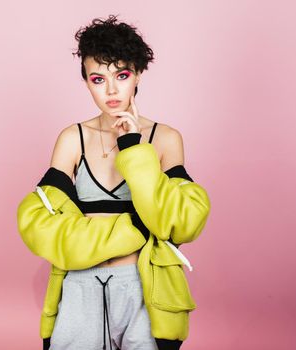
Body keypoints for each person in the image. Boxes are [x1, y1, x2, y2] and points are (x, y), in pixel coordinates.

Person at [17, 14, 211, 350]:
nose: (111, 90)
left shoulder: (164, 139)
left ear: (137, 75)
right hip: (78, 286)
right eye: (97, 78)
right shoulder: (72, 138)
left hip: (142, 286)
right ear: (86, 83)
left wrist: (133, 147)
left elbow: (181, 225)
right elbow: (41, 227)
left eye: (121, 75)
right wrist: (134, 230)